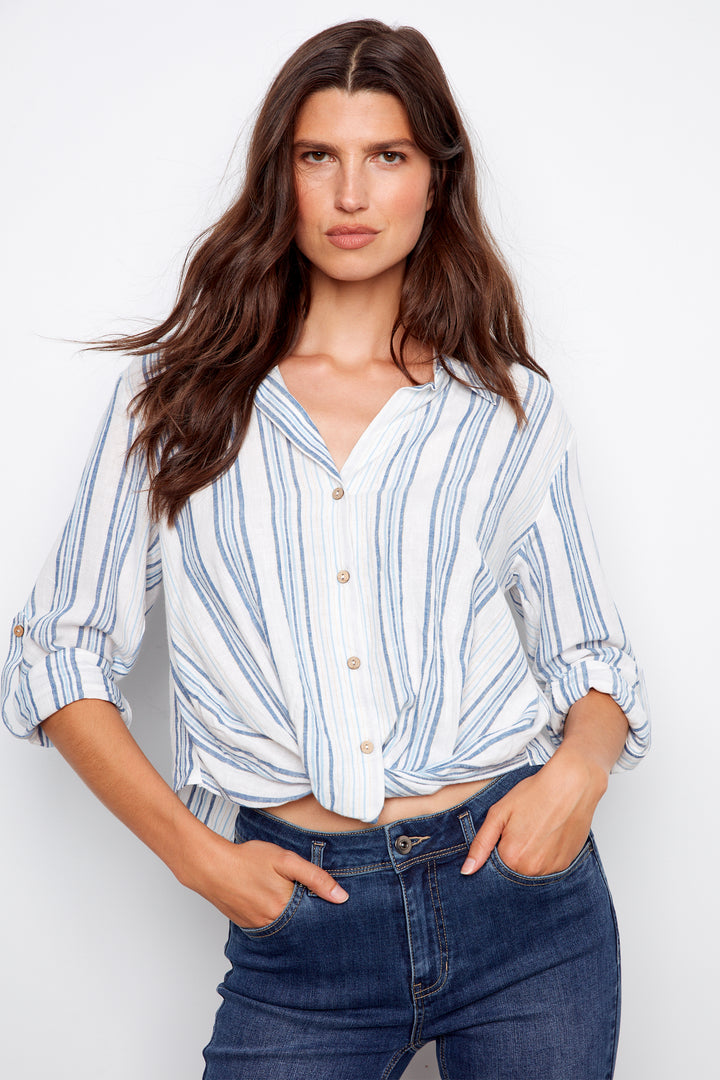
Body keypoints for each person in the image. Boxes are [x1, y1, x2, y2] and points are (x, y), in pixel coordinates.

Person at [2, 18, 650, 1080]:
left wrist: (576, 774)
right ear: (282, 177)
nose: (352, 194)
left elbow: (591, 657)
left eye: (386, 156)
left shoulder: (506, 408)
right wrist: (200, 860)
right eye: (320, 157)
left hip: (528, 910)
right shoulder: (173, 404)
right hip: (302, 930)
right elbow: (58, 653)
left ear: (433, 181)